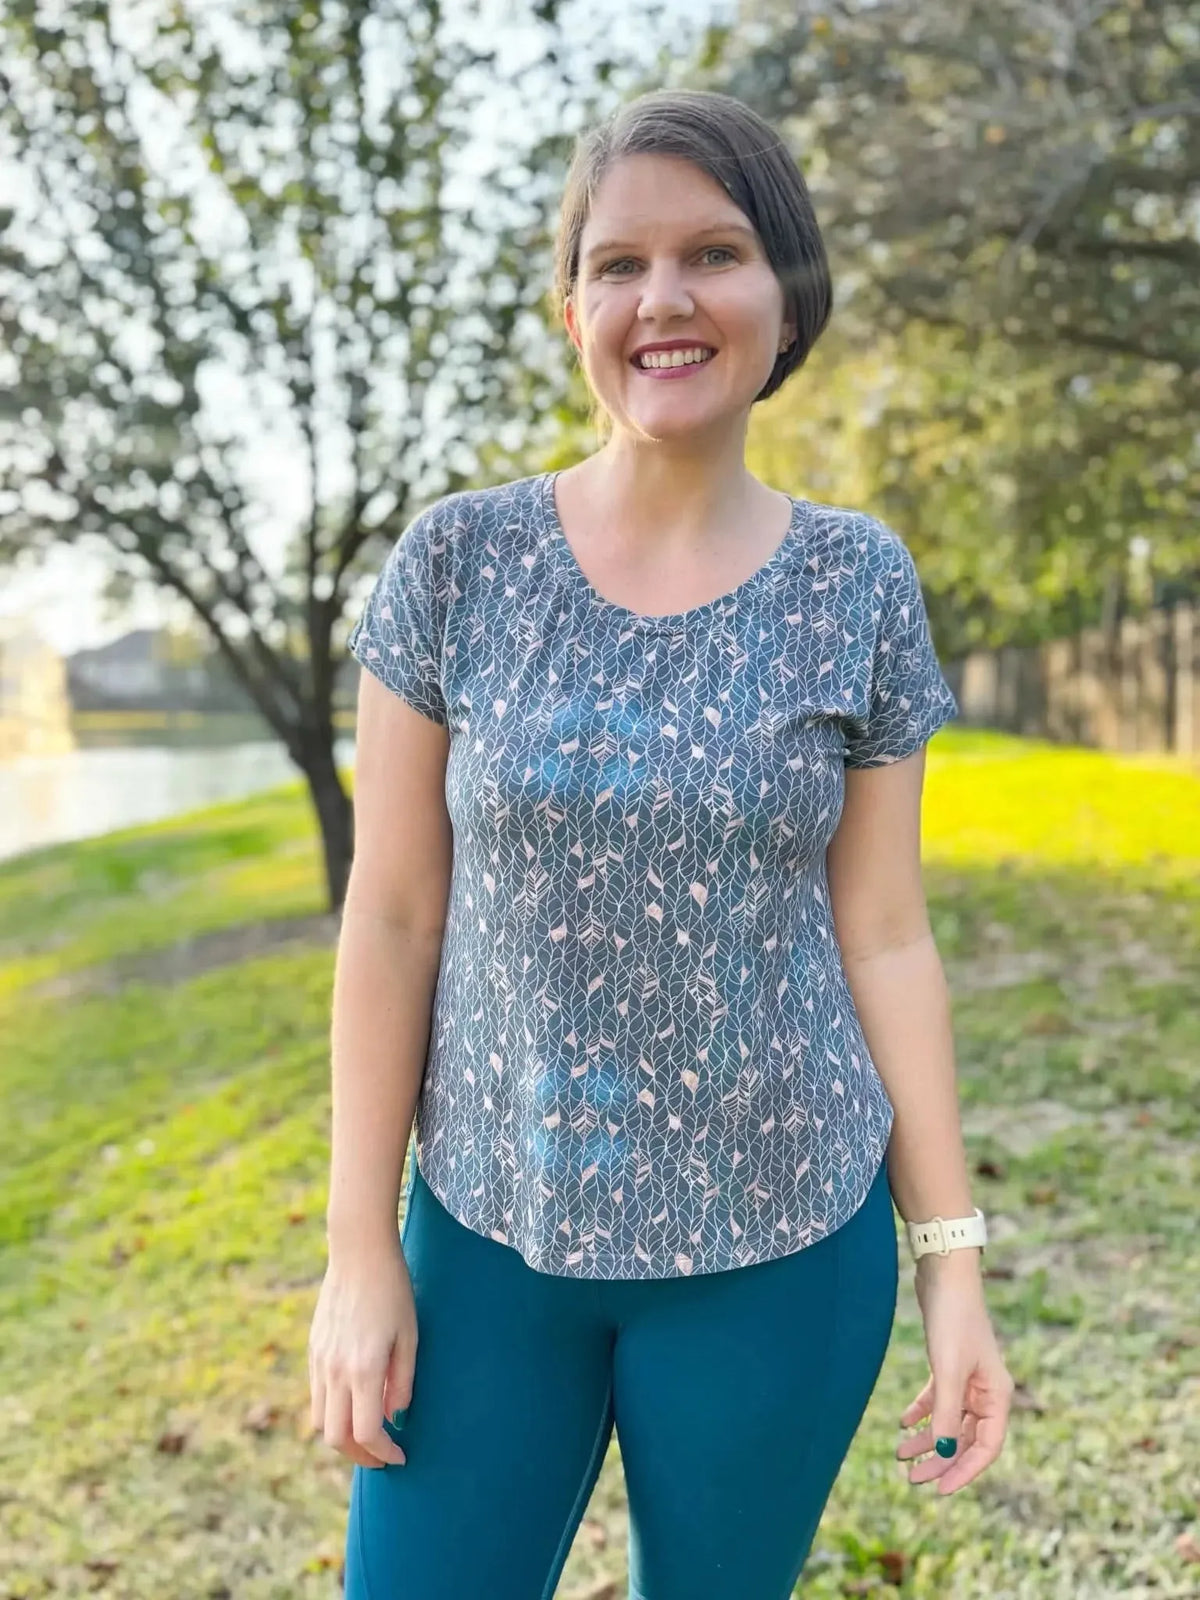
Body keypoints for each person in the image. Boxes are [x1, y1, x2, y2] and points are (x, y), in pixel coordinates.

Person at [308, 87, 1015, 1600]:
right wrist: (359, 1250)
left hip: (781, 1255)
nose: (665, 298)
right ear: (573, 306)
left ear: (787, 295)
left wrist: (952, 1258)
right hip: (492, 1238)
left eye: (715, 251)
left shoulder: (858, 583)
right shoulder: (458, 562)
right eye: (619, 264)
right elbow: (392, 919)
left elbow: (883, 932)